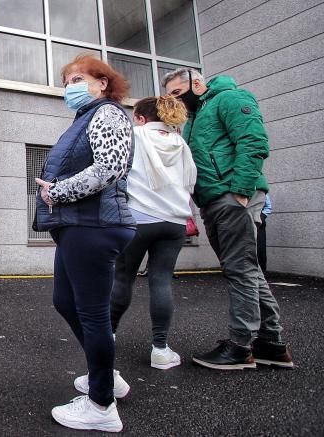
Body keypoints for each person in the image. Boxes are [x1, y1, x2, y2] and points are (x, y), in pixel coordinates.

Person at [33, 54, 136, 432]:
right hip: (81, 224)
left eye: (77, 78)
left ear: (102, 83)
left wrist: (58, 191)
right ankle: (106, 373)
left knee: (92, 314)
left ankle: (101, 405)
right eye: (65, 81)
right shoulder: (85, 118)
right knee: (65, 301)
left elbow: (110, 167)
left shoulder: (107, 113)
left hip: (94, 225)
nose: (69, 86)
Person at [164, 68, 292, 370]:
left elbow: (254, 142)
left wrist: (241, 192)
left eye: (178, 94)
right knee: (248, 269)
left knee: (241, 270)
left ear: (197, 84)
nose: (176, 102)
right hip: (213, 200)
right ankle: (271, 343)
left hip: (231, 197)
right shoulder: (196, 116)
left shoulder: (231, 99)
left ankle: (240, 347)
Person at [109, 96, 197, 370]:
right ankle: (160, 349)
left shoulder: (134, 135)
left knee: (123, 277)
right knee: (161, 281)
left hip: (138, 219)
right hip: (174, 222)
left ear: (140, 117)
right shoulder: (180, 143)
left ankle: (107, 337)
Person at [257, 193, 272, 274]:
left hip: (259, 223)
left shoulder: (261, 190)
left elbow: (268, 207)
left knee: (260, 248)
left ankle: (262, 272)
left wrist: (260, 218)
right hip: (243, 222)